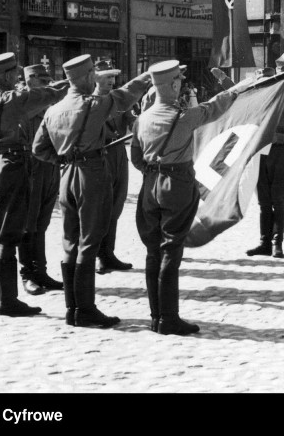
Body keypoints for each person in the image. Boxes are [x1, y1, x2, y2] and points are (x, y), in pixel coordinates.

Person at [130, 60, 249, 335]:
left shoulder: (142, 119)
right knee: (171, 249)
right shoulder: (183, 115)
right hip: (177, 184)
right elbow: (216, 107)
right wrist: (240, 88)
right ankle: (169, 318)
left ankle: (156, 315)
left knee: (152, 251)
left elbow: (136, 157)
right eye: (180, 81)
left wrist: (152, 170)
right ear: (172, 84)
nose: (182, 84)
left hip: (150, 186)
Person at [33, 55, 149, 328]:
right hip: (91, 174)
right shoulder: (92, 105)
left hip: (67, 176)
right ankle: (85, 309)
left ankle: (72, 308)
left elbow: (39, 149)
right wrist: (150, 76)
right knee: (89, 241)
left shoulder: (53, 110)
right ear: (86, 78)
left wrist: (64, 159)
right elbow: (125, 95)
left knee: (70, 241)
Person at [0, 52, 70, 318]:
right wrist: (75, 81)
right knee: (10, 235)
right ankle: (8, 302)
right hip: (13, 166)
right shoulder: (11, 99)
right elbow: (49, 94)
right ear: (10, 75)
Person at [14, 64, 65, 296]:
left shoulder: (50, 104)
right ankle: (27, 274)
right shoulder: (21, 102)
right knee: (27, 223)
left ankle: (40, 271)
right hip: (28, 169)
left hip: (49, 167)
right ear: (30, 80)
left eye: (48, 81)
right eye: (42, 81)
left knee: (41, 223)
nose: (47, 85)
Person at [245, 68, 284, 258]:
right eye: (262, 83)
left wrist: (278, 137)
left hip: (279, 157)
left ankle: (278, 243)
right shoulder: (252, 107)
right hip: (259, 158)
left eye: (269, 83)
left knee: (278, 202)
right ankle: (264, 243)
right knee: (263, 203)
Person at [94, 60, 137, 274]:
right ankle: (98, 255)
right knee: (101, 207)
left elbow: (131, 120)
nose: (111, 81)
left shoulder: (119, 99)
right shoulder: (90, 101)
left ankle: (108, 253)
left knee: (116, 206)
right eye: (107, 76)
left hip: (119, 154)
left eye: (113, 77)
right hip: (100, 155)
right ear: (95, 77)